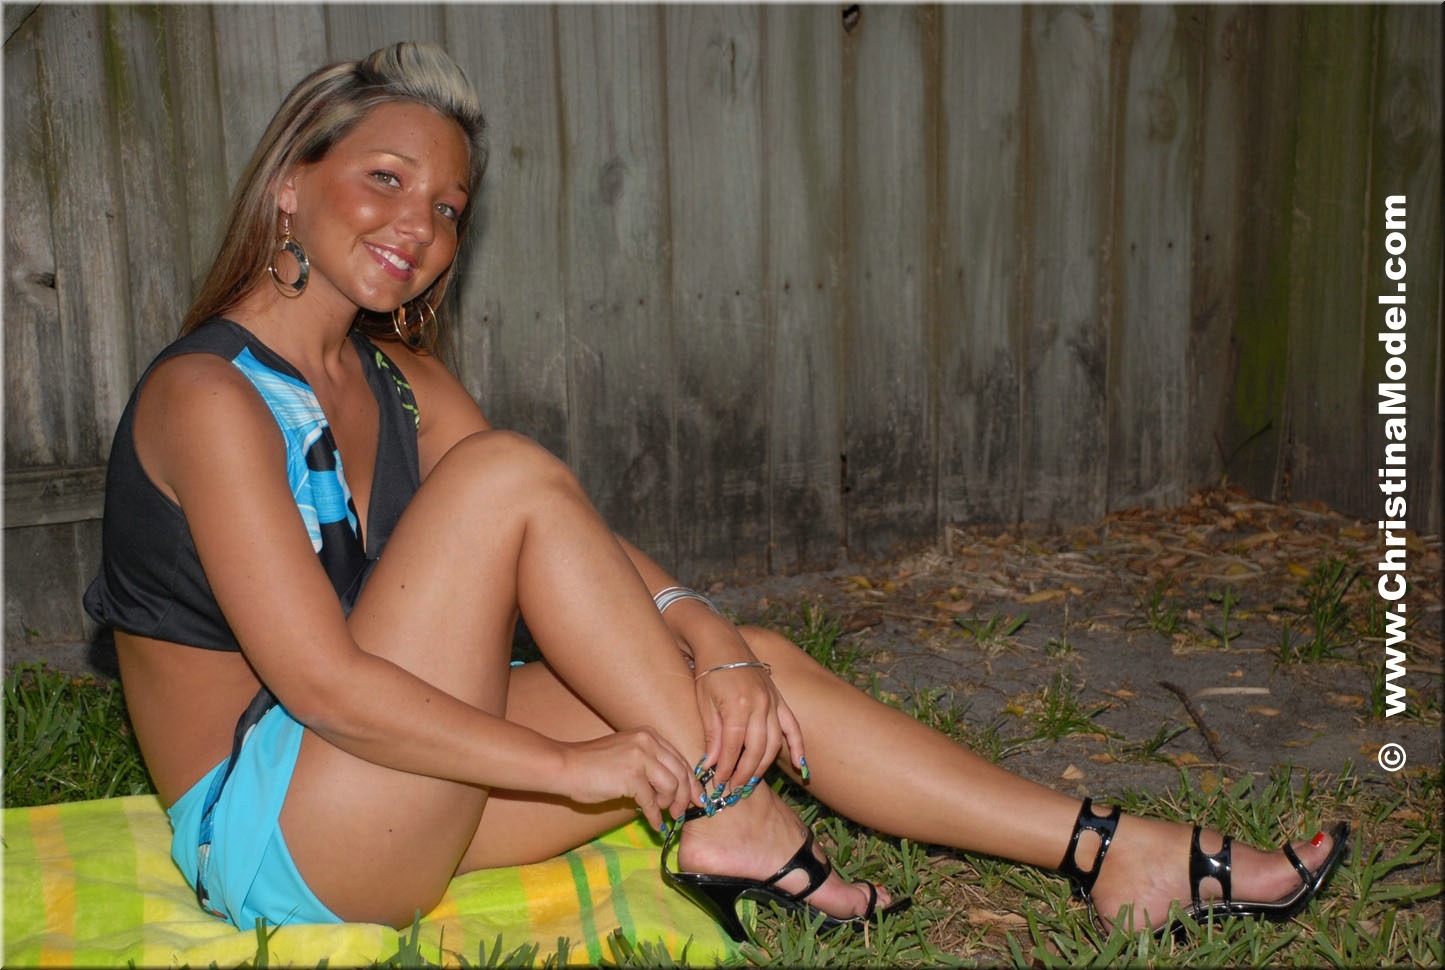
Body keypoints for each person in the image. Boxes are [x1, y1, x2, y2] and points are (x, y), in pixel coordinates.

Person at [84, 42, 1347, 944]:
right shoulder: (206, 394)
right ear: (290, 184)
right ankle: (735, 818)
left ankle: (1112, 850)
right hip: (282, 837)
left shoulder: (397, 379)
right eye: (385, 178)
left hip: (386, 790)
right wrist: (568, 764)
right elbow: (325, 686)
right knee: (506, 475)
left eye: (449, 205)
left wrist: (709, 636)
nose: (419, 222)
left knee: (748, 677)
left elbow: (568, 537)